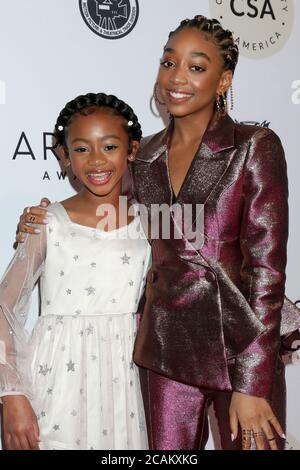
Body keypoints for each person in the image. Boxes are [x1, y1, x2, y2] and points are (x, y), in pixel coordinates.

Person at [15, 16, 300, 451]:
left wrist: (253, 382)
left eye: (196, 66)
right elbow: (103, 214)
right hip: (163, 354)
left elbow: (266, 270)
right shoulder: (142, 156)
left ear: (223, 80)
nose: (177, 77)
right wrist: (38, 220)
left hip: (238, 350)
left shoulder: (253, 146)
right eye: (169, 62)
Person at [0, 92, 151, 450]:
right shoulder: (47, 221)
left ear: (132, 149)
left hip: (127, 382)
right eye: (81, 149)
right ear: (64, 156)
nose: (96, 160)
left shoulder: (151, 221)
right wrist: (11, 393)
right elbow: (4, 309)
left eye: (110, 146)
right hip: (56, 380)